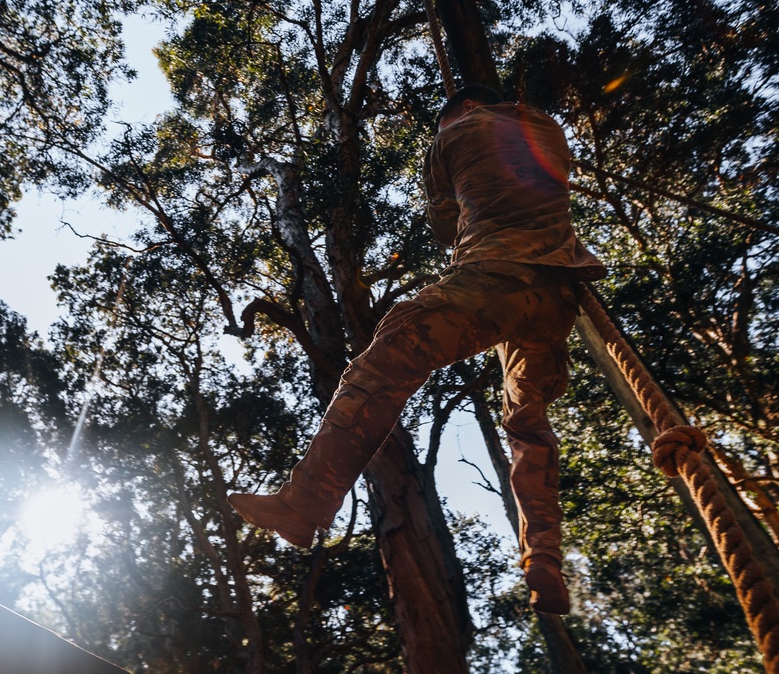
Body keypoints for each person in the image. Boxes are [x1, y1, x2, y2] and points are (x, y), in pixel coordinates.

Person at [229, 84, 606, 615]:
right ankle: (543, 555)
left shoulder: (453, 133)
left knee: (386, 359)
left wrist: (460, 181)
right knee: (528, 424)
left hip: (494, 280)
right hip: (559, 293)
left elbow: (442, 222)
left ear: (460, 112)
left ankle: (305, 500)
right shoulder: (544, 123)